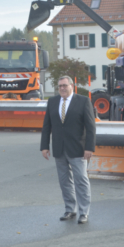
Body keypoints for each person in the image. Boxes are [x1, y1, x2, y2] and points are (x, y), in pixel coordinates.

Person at [40, 76, 95, 224]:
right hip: (59, 148)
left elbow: (91, 127)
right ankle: (70, 209)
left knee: (81, 180)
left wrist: (89, 147)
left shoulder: (83, 101)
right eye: (60, 86)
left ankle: (84, 212)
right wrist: (44, 146)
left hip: (78, 149)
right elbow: (47, 126)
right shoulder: (52, 102)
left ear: (72, 86)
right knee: (65, 181)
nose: (62, 88)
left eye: (65, 85)